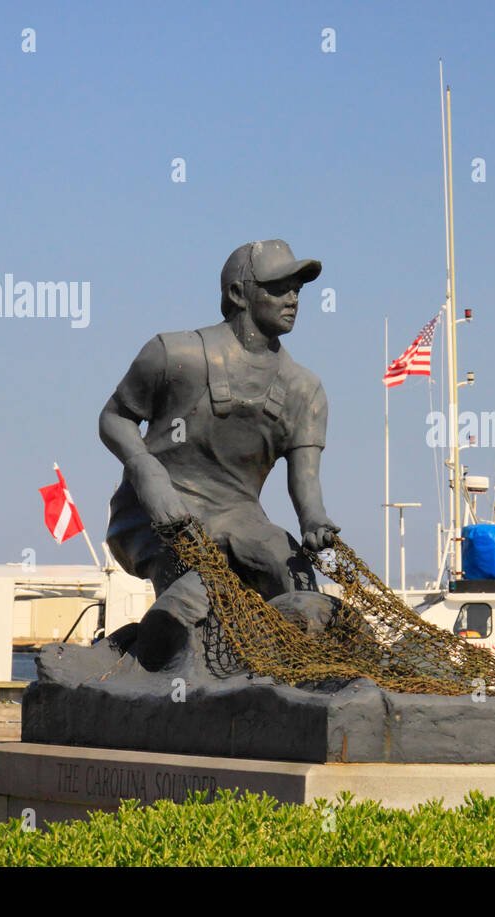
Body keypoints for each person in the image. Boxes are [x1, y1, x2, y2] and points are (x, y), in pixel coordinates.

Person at [98, 239, 340, 668]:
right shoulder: (177, 355)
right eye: (278, 288)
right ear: (237, 294)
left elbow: (305, 478)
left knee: (289, 569)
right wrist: (147, 474)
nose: (292, 299)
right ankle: (169, 652)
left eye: (297, 290)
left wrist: (314, 520)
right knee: (201, 580)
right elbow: (115, 418)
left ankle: (300, 667)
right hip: (161, 512)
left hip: (240, 515)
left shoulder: (305, 389)